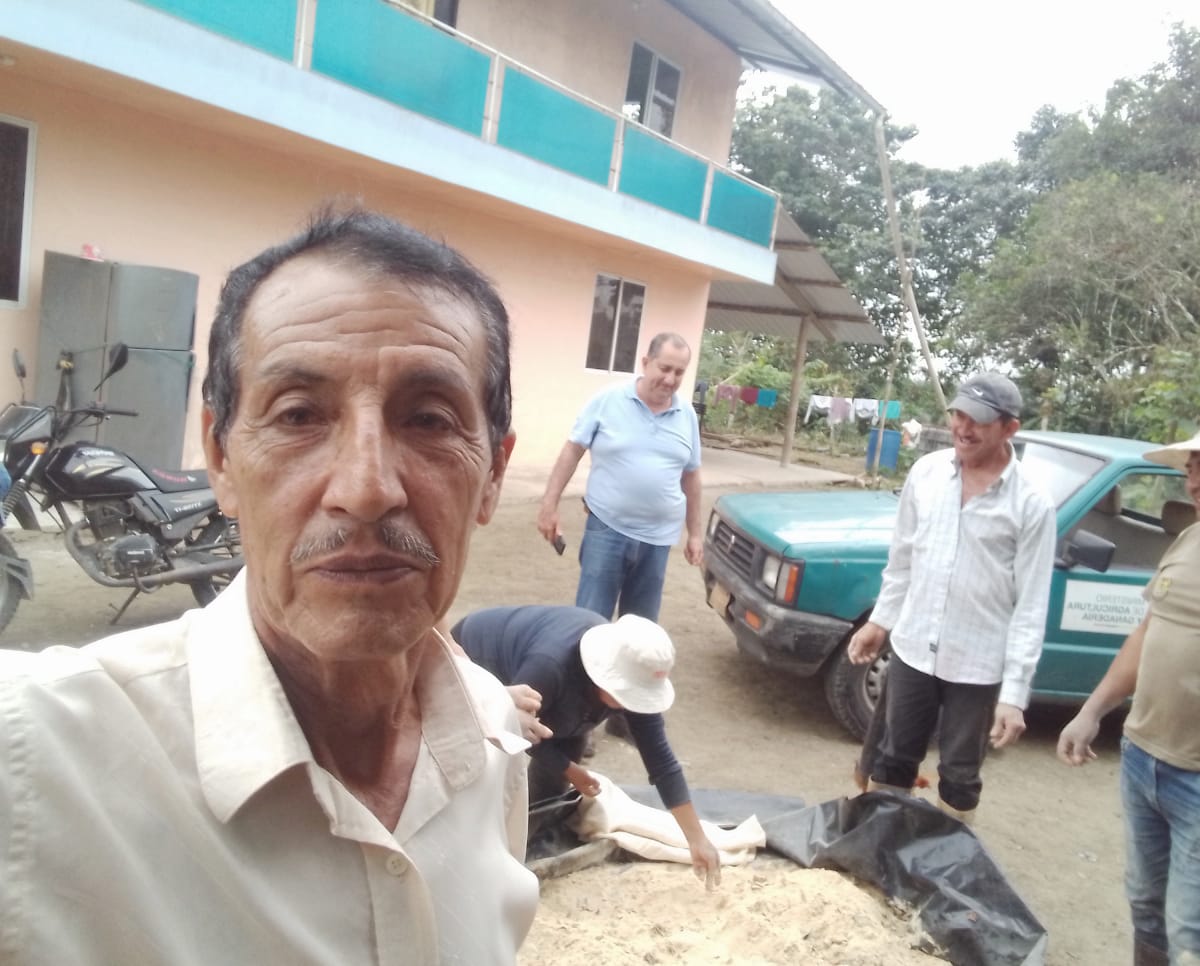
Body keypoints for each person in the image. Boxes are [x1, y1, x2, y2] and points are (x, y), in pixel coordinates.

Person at [0, 208, 539, 964]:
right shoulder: (36, 757)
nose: (366, 489)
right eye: (298, 415)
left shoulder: (493, 740)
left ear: (494, 474)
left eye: (427, 419)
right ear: (221, 459)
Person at [1057, 411, 1200, 966]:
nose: (1192, 483)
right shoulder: (1191, 539)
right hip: (1143, 760)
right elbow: (1148, 631)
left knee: (1196, 941)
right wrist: (1093, 709)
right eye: (1190, 470)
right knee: (1146, 910)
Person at [847, 372, 1057, 822]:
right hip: (913, 648)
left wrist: (1014, 694)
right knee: (892, 758)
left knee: (960, 776)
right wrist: (880, 621)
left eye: (978, 420)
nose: (963, 427)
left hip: (977, 665)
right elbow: (903, 558)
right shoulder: (926, 473)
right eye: (959, 414)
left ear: (1009, 428)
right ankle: (881, 845)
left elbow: (1031, 605)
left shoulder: (1032, 503)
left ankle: (945, 855)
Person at [450, 604, 721, 888]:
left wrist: (697, 840)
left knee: (555, 773)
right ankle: (474, 856)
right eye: (628, 695)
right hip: (477, 664)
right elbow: (514, 730)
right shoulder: (551, 667)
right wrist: (569, 769)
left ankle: (518, 845)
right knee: (488, 774)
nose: (631, 705)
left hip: (559, 701)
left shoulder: (631, 674)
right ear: (606, 676)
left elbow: (662, 762)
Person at [536, 332, 703, 624]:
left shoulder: (686, 415)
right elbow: (572, 450)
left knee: (639, 632)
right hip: (607, 529)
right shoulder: (608, 400)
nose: (670, 379)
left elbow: (691, 476)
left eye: (679, 372)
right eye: (664, 368)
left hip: (657, 540)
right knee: (589, 622)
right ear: (646, 362)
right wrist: (549, 505)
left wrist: (696, 534)